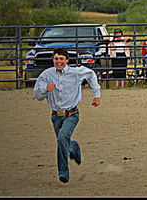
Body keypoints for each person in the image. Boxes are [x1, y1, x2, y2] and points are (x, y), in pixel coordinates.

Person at [34, 47, 101, 183]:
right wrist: (45, 89)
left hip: (71, 114)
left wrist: (97, 95)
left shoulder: (75, 72)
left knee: (61, 139)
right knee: (63, 141)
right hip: (56, 115)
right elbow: (38, 95)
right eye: (56, 59)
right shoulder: (46, 75)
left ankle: (63, 172)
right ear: (53, 59)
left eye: (61, 59)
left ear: (67, 60)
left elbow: (91, 75)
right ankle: (73, 146)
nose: (58, 61)